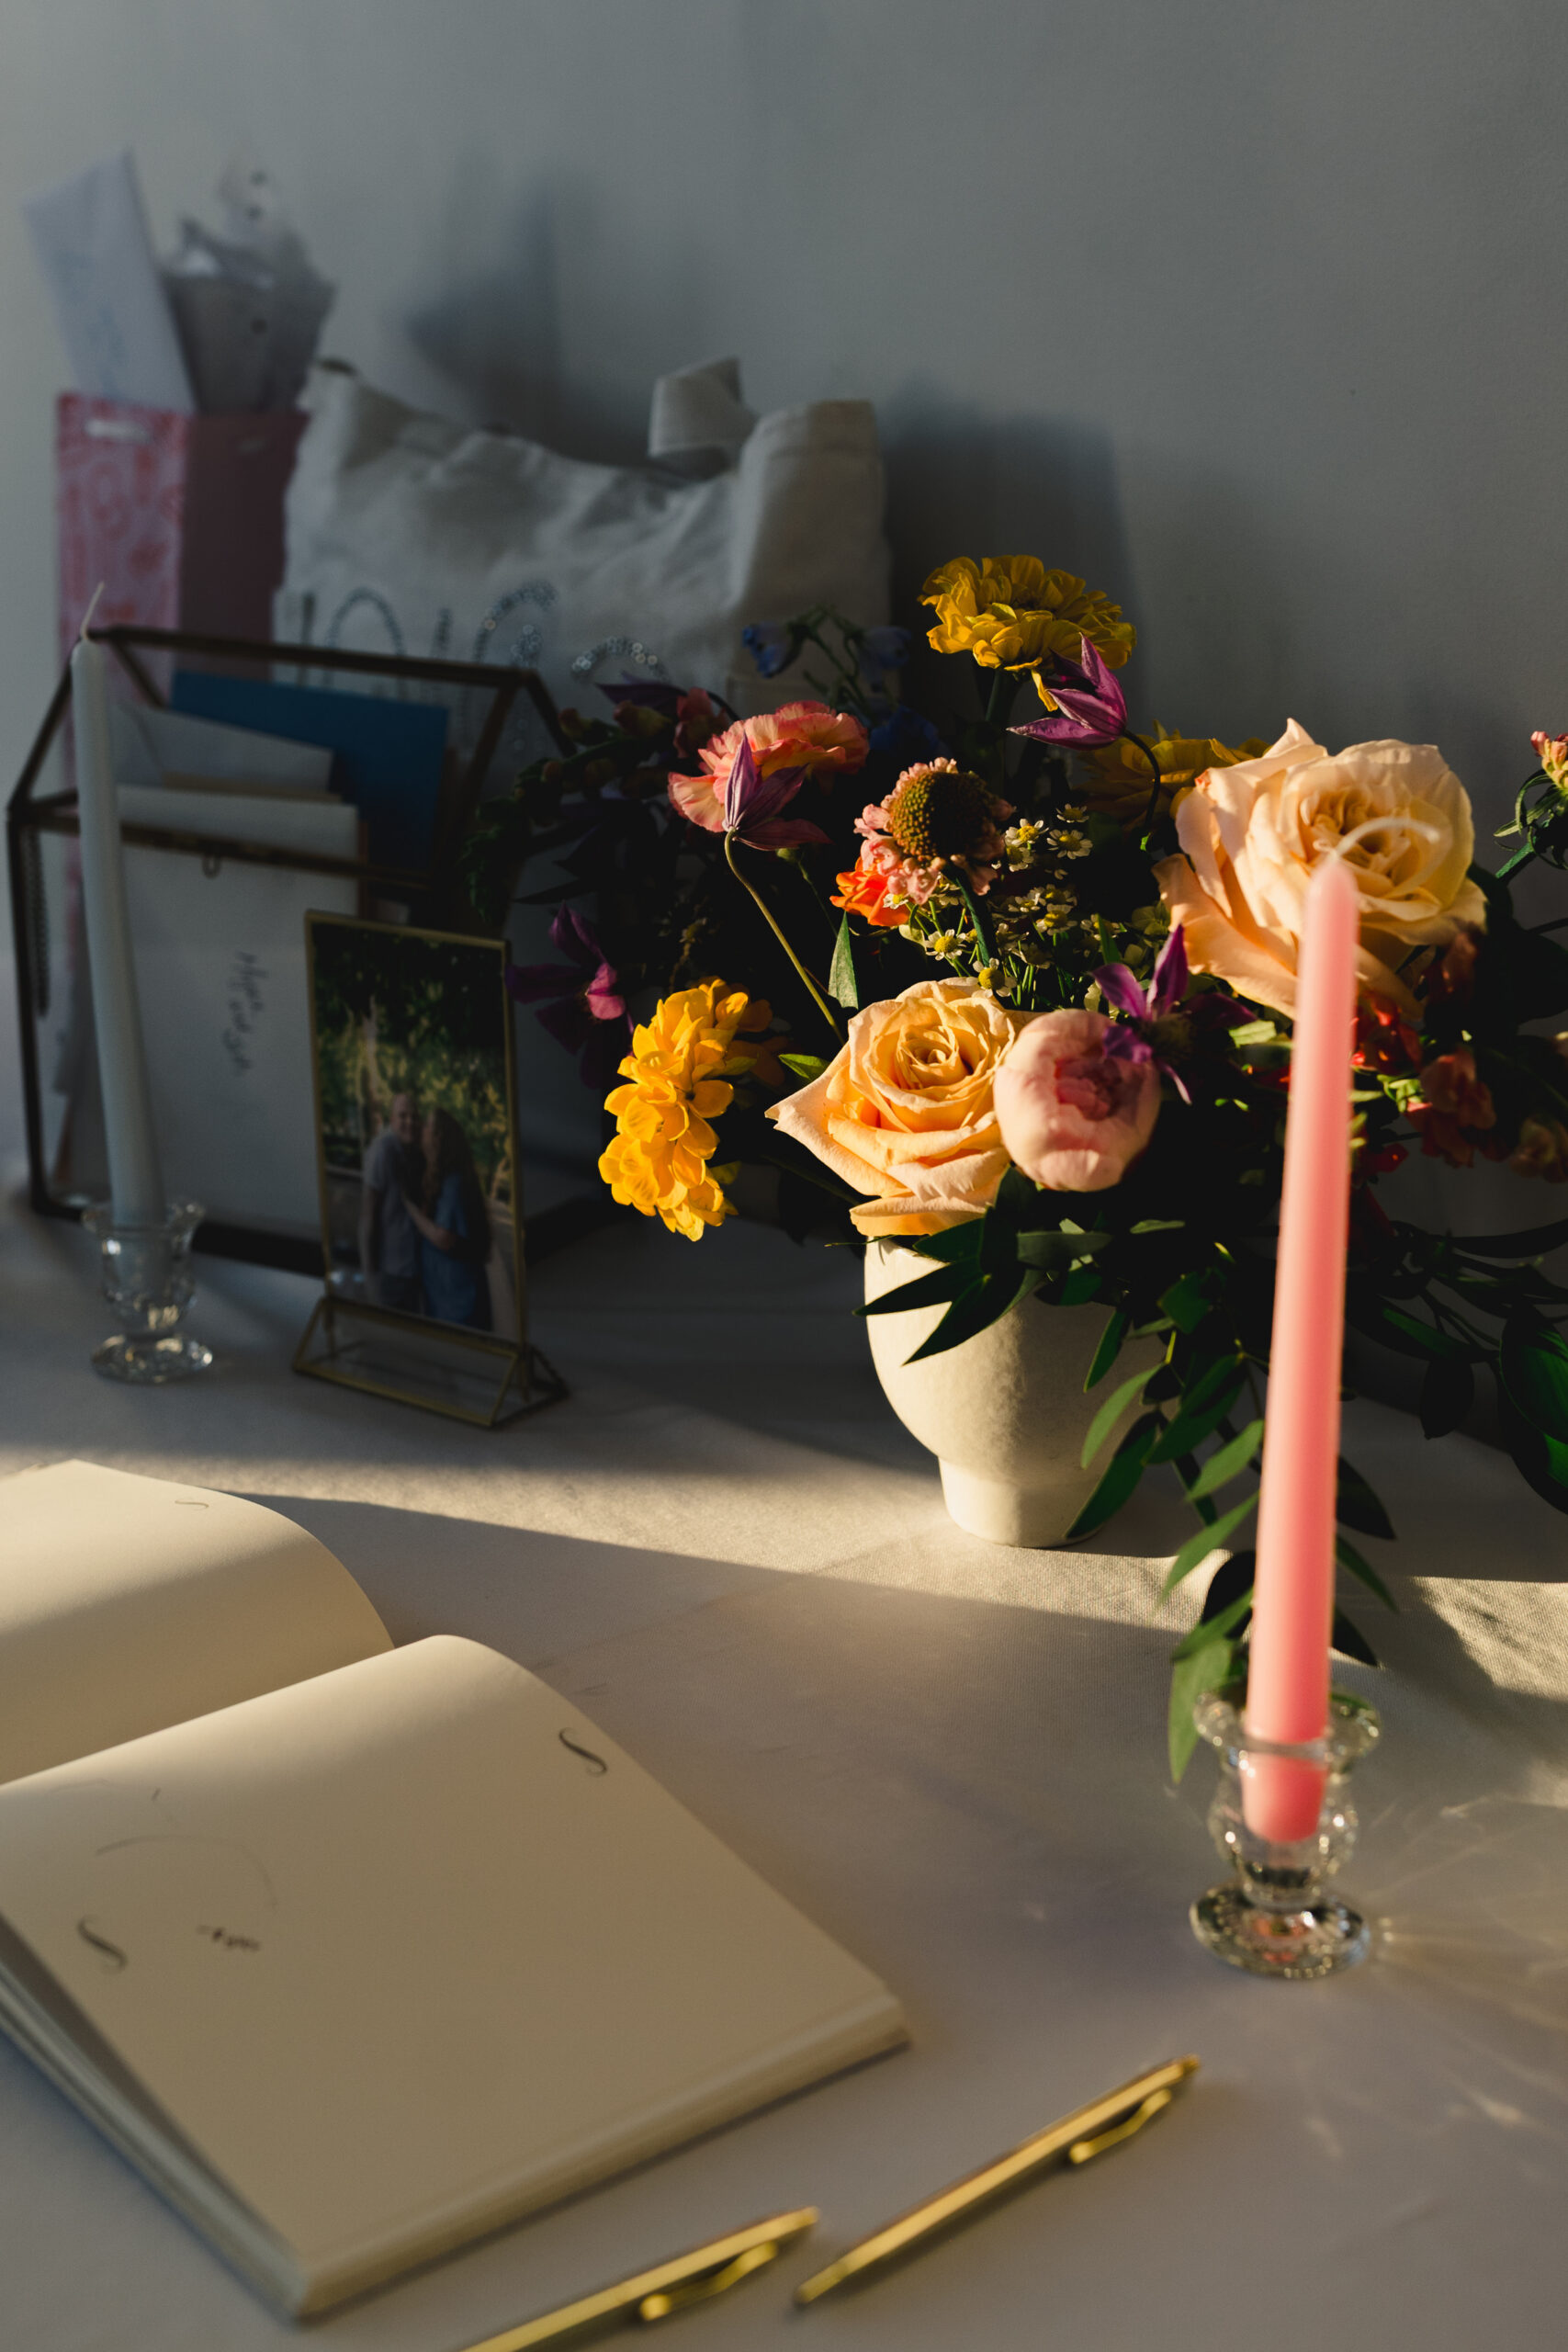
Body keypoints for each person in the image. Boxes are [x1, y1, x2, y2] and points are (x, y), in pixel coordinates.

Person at [403, 1107, 493, 1329]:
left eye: (427, 1126)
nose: (421, 1130)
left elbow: (444, 1237)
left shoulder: (453, 1183)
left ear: (438, 1138)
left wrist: (409, 1208)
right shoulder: (443, 1177)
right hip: (446, 1299)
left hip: (458, 1305)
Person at [358, 1091, 423, 1314]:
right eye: (403, 1116)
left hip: (413, 1274)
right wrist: (370, 1278)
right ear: (392, 1118)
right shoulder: (382, 1151)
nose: (410, 1122)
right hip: (389, 1276)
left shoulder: (416, 1152)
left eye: (414, 1117)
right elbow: (368, 1216)